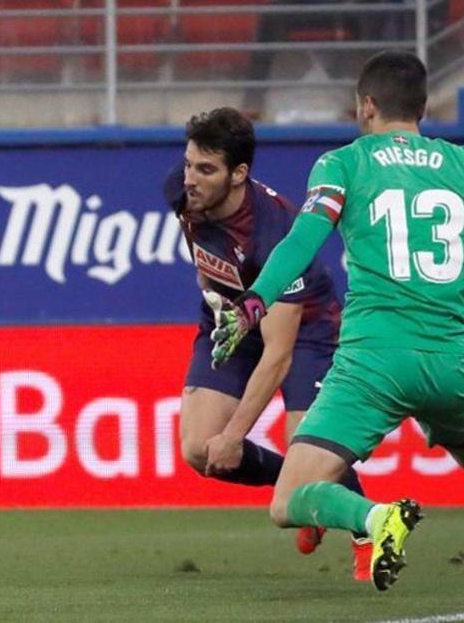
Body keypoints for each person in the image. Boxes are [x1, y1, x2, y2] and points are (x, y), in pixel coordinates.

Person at [209, 51, 464, 591]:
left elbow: (303, 239)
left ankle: (375, 518)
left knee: (288, 499)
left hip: (373, 362)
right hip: (452, 363)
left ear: (366, 105)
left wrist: (255, 301)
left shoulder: (344, 163)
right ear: (425, 106)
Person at [165, 107, 371, 580]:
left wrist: (236, 436)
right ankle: (303, 488)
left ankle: (359, 517)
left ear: (240, 174)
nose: (190, 178)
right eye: (189, 163)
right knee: (198, 448)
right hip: (232, 316)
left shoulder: (275, 232)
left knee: (306, 446)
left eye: (206, 169)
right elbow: (200, 247)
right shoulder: (182, 190)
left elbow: (277, 354)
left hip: (306, 332)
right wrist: (213, 294)